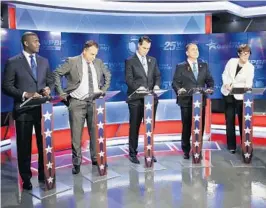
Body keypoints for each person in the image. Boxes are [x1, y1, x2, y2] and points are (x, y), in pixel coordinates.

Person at [2, 32, 54, 190]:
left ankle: (43, 173)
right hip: (23, 110)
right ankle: (26, 178)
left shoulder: (44, 61)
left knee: (43, 144)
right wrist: (25, 94)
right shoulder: (13, 62)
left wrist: (47, 89)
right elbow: (6, 86)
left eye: (38, 41)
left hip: (43, 110)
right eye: (35, 41)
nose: (39, 44)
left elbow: (50, 80)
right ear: (26, 43)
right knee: (24, 146)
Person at [53, 40, 111, 174]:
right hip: (77, 102)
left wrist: (103, 90)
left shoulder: (98, 62)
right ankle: (76, 162)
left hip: (95, 102)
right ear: (84, 51)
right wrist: (61, 93)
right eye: (91, 54)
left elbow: (108, 75)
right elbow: (57, 73)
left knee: (95, 133)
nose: (93, 57)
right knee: (76, 135)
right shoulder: (72, 61)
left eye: (95, 54)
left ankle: (95, 158)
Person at [172, 43, 214, 159]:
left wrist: (210, 88)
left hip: (200, 101)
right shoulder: (180, 66)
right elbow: (175, 83)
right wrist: (179, 89)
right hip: (186, 101)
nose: (196, 51)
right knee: (187, 126)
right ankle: (186, 150)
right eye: (193, 49)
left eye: (197, 49)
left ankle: (197, 149)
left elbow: (210, 81)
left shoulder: (204, 65)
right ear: (187, 53)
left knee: (199, 126)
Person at [125, 36, 161, 164]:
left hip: (151, 100)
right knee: (134, 127)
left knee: (150, 127)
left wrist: (156, 86)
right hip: (136, 100)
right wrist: (139, 89)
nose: (146, 50)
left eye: (148, 48)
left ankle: (149, 151)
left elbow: (157, 75)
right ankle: (133, 153)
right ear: (138, 46)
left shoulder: (153, 60)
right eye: (144, 48)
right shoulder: (130, 61)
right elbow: (129, 80)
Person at [221, 44, 254, 154]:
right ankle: (231, 146)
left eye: (247, 54)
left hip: (241, 97)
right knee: (229, 121)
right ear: (238, 54)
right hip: (228, 94)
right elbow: (225, 74)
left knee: (242, 122)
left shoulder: (250, 67)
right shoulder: (231, 61)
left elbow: (249, 84)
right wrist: (226, 84)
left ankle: (244, 144)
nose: (245, 56)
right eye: (243, 54)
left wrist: (241, 88)